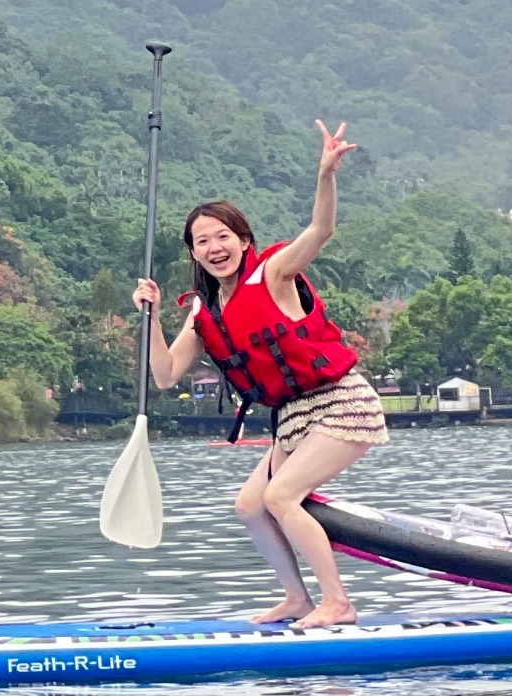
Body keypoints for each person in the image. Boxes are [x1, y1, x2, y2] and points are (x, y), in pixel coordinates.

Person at [136, 120, 381, 629]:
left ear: (244, 240)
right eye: (202, 241)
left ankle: (338, 602)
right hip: (293, 416)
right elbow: (163, 375)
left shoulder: (273, 273)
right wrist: (152, 315)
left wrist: (325, 176)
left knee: (280, 496)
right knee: (250, 506)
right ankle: (298, 599)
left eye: (222, 236)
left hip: (340, 401)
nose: (213, 247)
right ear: (193, 253)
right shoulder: (204, 312)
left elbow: (321, 231)